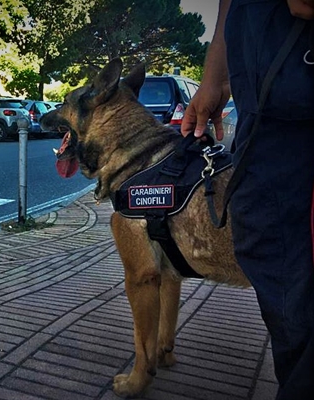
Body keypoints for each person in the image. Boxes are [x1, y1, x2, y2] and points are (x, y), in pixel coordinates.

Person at [182, 1, 314, 399]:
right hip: (266, 103)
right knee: (270, 257)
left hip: (294, 106)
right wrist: (215, 80)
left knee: (294, 294)